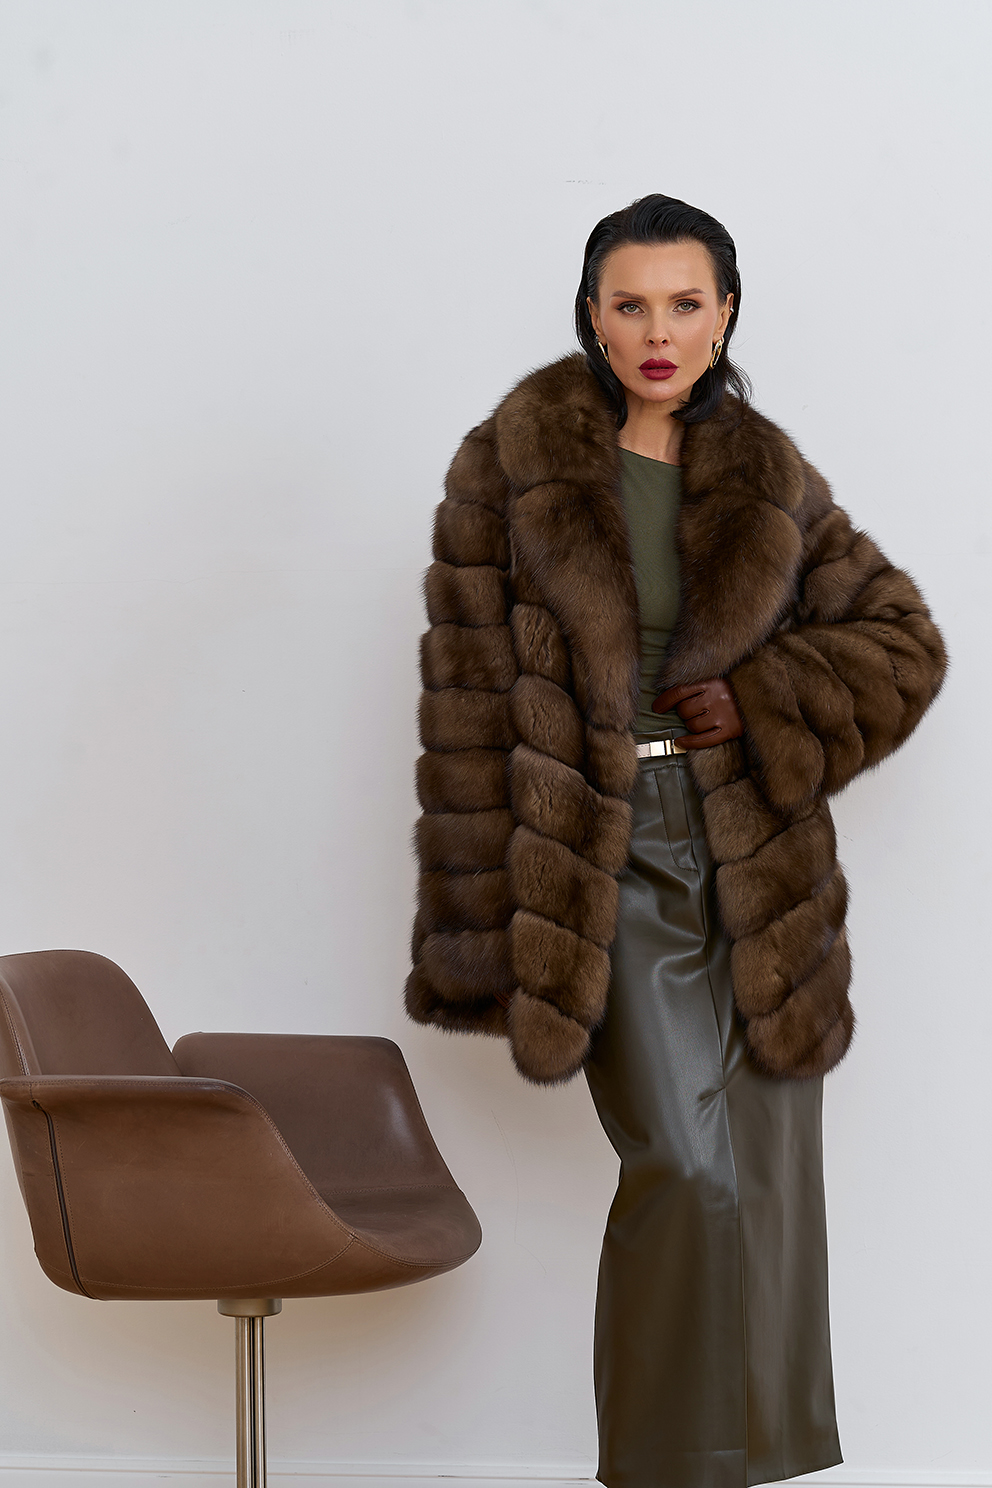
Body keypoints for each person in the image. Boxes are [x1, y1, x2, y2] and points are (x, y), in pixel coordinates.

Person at [404, 193, 947, 1488]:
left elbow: (903, 642)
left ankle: (746, 1461)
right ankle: (663, 1467)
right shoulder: (510, 467)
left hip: (755, 858)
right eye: (631, 303)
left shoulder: (769, 478)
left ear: (725, 315)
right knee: (688, 1169)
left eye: (686, 303)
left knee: (767, 1179)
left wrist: (761, 697)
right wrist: (481, 933)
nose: (659, 332)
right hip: (598, 856)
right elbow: (469, 701)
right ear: (592, 315)